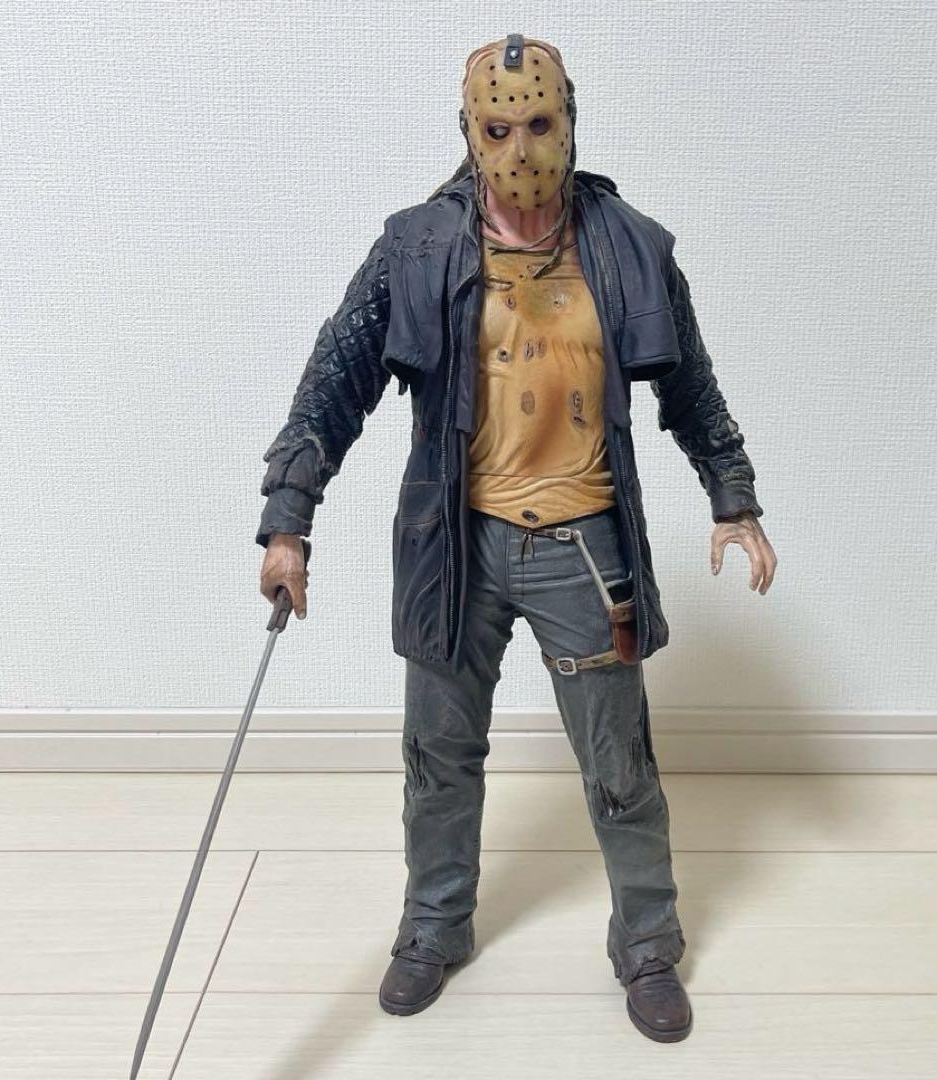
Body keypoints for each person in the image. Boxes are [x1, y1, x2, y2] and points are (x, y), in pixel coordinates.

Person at [257, 35, 776, 1044]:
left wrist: (732, 495)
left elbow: (691, 385)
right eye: (498, 129)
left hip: (585, 546)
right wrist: (289, 519)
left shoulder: (629, 246)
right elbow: (334, 384)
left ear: (571, 121)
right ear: (468, 132)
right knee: (437, 758)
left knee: (618, 762)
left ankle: (648, 941)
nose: (522, 149)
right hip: (456, 549)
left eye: (540, 123)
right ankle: (433, 924)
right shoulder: (415, 250)